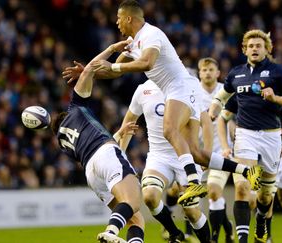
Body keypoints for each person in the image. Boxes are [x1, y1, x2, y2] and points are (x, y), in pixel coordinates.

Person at [86, 0, 262, 206]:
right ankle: (247, 170)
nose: (116, 23)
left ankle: (193, 182)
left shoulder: (151, 34)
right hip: (186, 90)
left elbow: (146, 63)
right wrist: (86, 73)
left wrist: (115, 68)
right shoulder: (133, 44)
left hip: (180, 86)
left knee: (169, 130)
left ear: (128, 18)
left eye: (118, 18)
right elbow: (110, 70)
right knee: (195, 153)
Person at [209, 29, 282, 243]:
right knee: (243, 186)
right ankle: (243, 239)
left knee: (265, 196)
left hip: (271, 138)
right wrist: (215, 107)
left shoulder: (277, 73)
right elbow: (223, 96)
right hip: (245, 135)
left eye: (259, 46)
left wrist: (277, 99)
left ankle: (262, 222)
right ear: (244, 49)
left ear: (267, 49)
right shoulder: (236, 73)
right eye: (251, 46)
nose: (254, 49)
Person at [55, 40, 144, 243]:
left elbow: (92, 147)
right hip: (105, 155)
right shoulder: (75, 109)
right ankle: (111, 232)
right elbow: (92, 69)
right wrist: (112, 49)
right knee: (133, 202)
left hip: (92, 173)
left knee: (135, 219)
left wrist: (118, 134)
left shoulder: (63, 142)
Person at [114, 79, 211, 243]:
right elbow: (129, 122)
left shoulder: (188, 84)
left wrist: (205, 152)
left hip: (185, 156)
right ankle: (174, 233)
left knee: (191, 211)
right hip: (159, 156)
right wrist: (121, 155)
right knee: (150, 197)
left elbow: (205, 121)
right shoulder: (143, 90)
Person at [218, 96, 282, 243]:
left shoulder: (280, 97)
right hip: (248, 149)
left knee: (279, 198)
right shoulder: (243, 95)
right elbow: (225, 118)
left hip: (278, 153)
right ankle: (256, 238)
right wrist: (227, 142)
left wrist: (272, 132)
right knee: (245, 194)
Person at [197, 57, 235, 243]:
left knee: (213, 191)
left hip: (222, 150)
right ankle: (228, 229)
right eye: (204, 70)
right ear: (199, 73)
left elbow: (235, 115)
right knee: (202, 197)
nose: (208, 73)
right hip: (198, 152)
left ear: (218, 73)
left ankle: (213, 238)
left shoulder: (225, 91)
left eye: (211, 69)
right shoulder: (192, 92)